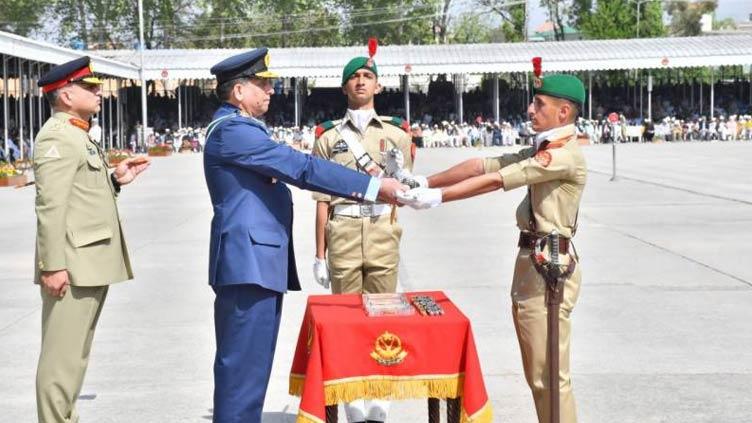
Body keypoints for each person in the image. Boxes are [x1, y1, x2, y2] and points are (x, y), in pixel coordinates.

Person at [202, 47, 406, 423]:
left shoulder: (237, 127)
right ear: (238, 92)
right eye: (261, 84)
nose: (270, 91)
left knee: (251, 371)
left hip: (256, 263)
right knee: (242, 374)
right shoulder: (233, 131)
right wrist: (375, 187)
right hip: (248, 264)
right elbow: (303, 167)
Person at [399, 70, 587, 423]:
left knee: (551, 377)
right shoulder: (544, 147)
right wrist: (425, 180)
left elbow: (497, 180)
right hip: (534, 264)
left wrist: (437, 197)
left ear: (564, 112)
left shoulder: (563, 155)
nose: (531, 109)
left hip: (551, 270)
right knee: (538, 375)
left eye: (539, 103)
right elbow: (483, 164)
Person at [33, 56, 150, 423]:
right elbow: (50, 206)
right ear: (66, 95)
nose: (98, 91)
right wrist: (53, 266)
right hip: (71, 266)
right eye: (89, 86)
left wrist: (115, 179)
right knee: (61, 361)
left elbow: (79, 194)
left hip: (88, 263)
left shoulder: (76, 132)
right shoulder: (58, 137)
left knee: (75, 358)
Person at [310, 51, 415, 423]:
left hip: (382, 233)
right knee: (346, 321)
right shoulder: (327, 138)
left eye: (367, 76)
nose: (360, 81)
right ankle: (352, 399)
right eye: (354, 77)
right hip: (342, 234)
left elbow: (401, 193)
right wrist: (319, 255)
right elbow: (322, 199)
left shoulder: (397, 135)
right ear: (344, 87)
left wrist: (390, 226)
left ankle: (380, 399)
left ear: (378, 85)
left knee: (384, 316)